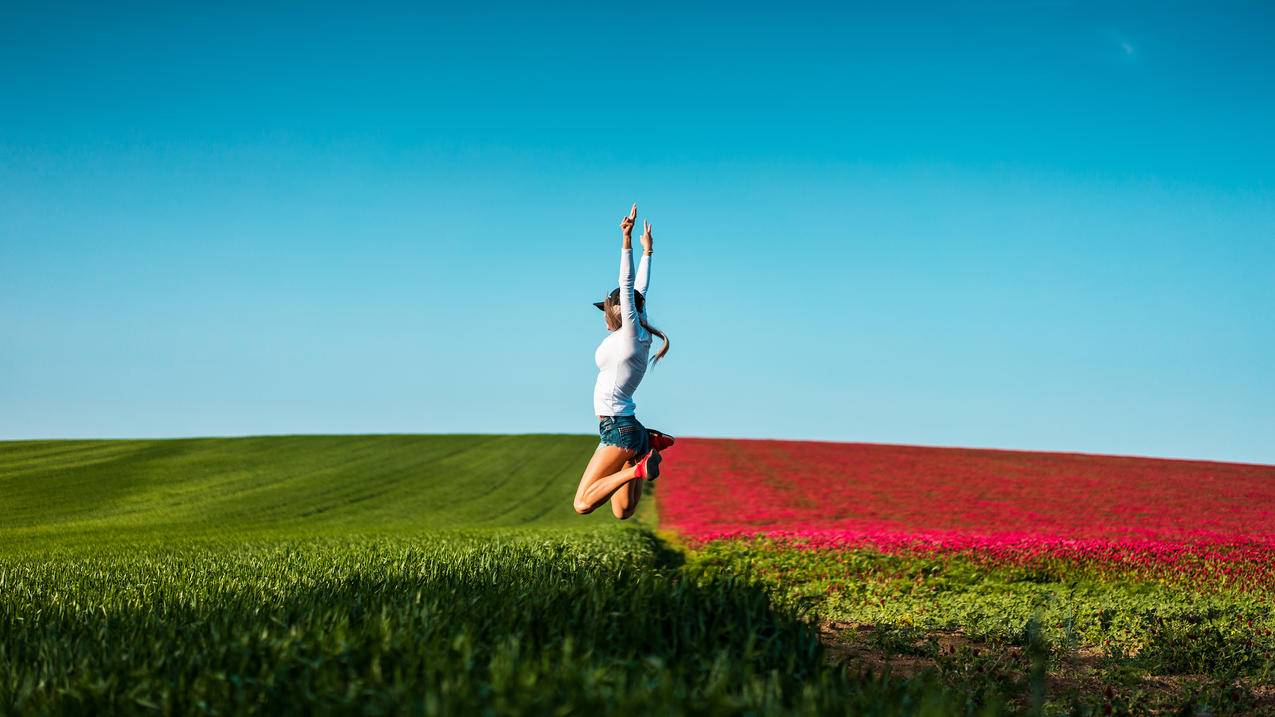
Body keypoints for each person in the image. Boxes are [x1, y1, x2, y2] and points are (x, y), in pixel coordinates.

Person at [573, 203, 675, 520]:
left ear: (619, 310)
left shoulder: (631, 332)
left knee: (583, 503)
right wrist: (649, 253)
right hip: (630, 428)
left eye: (605, 308)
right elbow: (641, 291)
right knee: (623, 511)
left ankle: (639, 465)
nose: (603, 314)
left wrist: (627, 241)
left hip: (618, 426)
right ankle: (642, 454)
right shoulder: (640, 334)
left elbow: (629, 287)